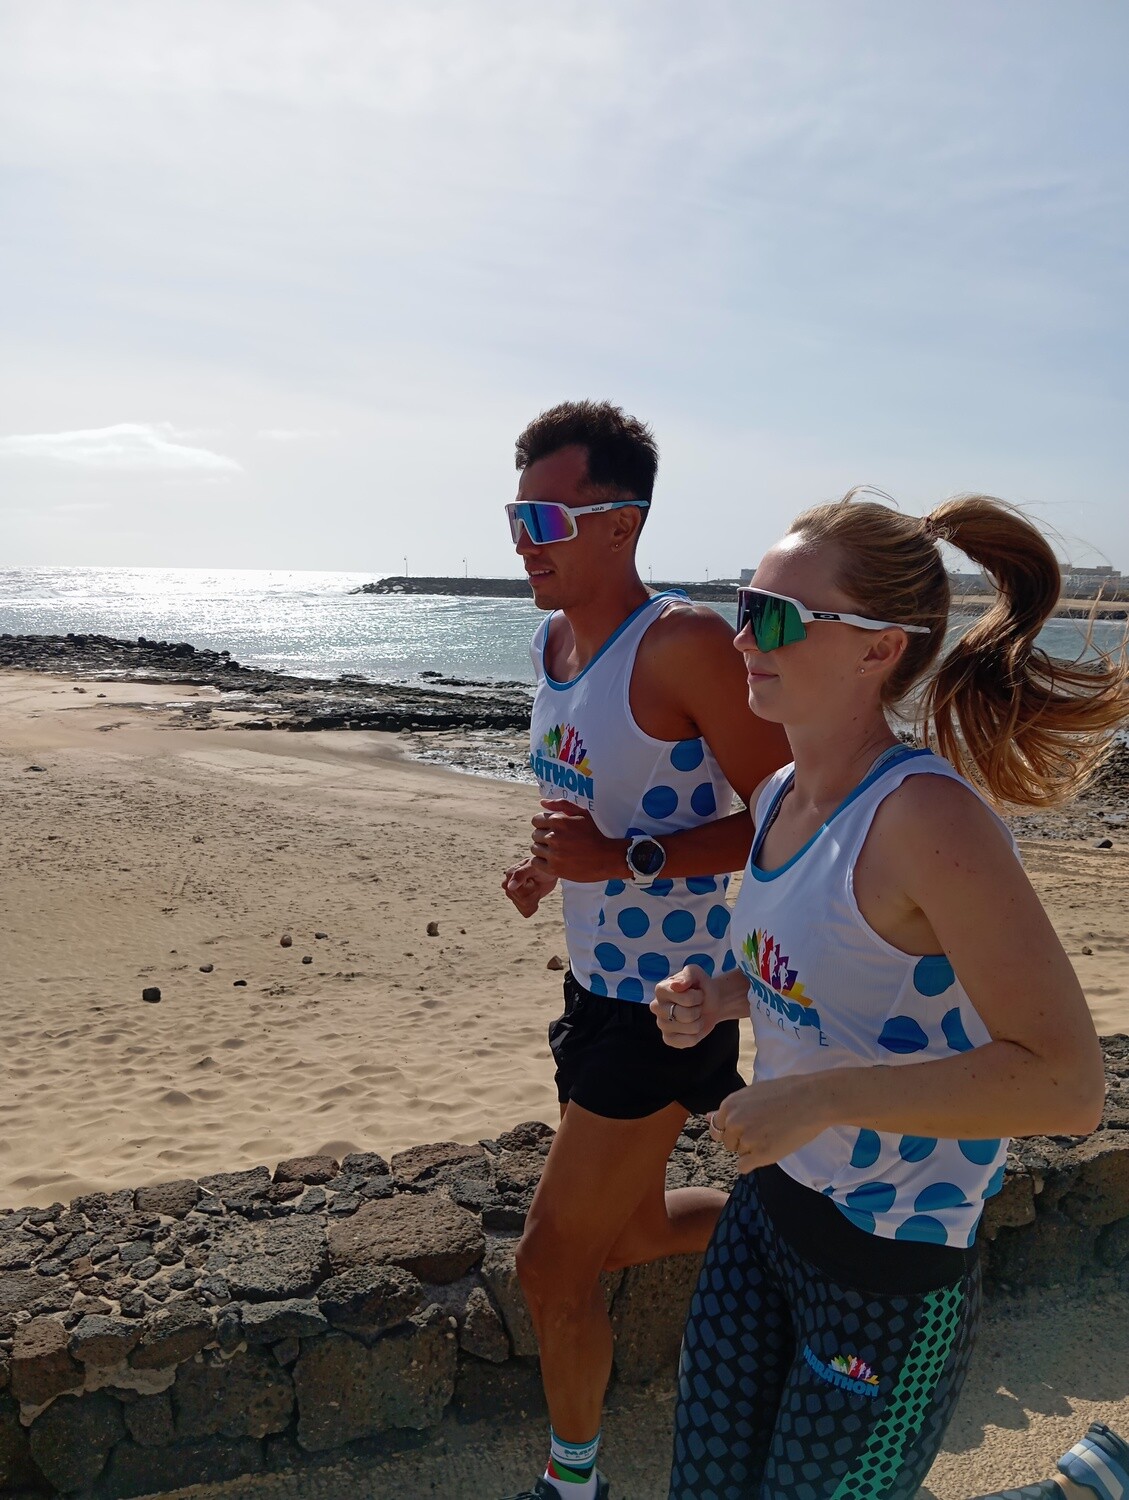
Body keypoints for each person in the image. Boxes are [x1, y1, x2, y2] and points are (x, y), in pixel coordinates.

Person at [650, 490, 1128, 1500]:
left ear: (877, 650)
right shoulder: (779, 795)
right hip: (768, 1212)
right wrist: (723, 996)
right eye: (744, 603)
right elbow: (824, 978)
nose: (742, 638)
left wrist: (823, 1099)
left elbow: (1064, 1086)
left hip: (889, 1262)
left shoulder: (927, 823)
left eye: (775, 617)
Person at [499, 400, 790, 1500]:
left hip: (674, 1004)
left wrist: (627, 860)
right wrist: (551, 862)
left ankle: (572, 1484)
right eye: (515, 512)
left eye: (544, 515)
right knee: (623, 1236)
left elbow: (786, 811)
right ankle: (800, 1238)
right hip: (591, 991)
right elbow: (581, 795)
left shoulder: (679, 645)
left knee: (548, 1265)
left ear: (620, 522)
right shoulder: (552, 640)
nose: (523, 538)